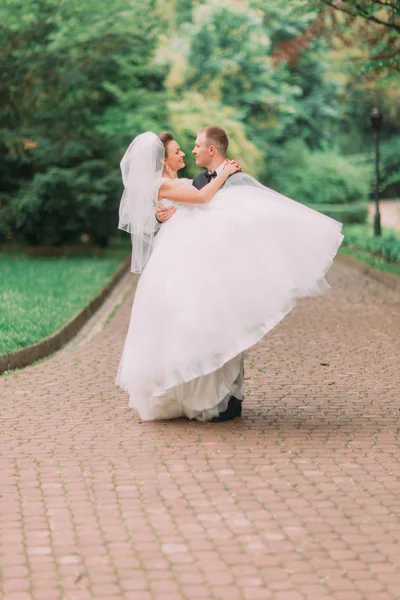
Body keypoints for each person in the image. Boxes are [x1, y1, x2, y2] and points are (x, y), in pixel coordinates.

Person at [116, 130, 344, 423]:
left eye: (191, 147)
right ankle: (202, 395)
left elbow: (188, 202)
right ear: (163, 159)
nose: (184, 152)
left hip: (196, 255)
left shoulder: (174, 182)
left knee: (207, 321)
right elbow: (199, 197)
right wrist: (223, 173)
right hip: (182, 258)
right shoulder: (162, 184)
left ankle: (218, 393)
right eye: (177, 151)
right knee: (192, 324)